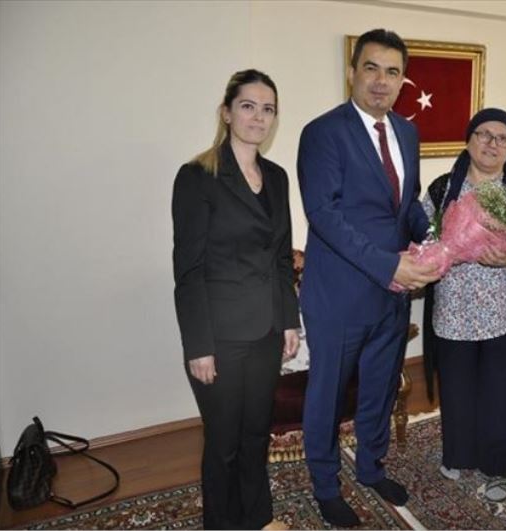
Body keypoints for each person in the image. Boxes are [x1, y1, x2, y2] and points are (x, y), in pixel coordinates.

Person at [297, 29, 439, 527]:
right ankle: (325, 485)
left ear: (403, 81)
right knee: (328, 394)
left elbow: (406, 207)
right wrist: (388, 265)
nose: (381, 81)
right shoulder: (323, 132)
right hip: (339, 294)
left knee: (380, 388)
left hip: (392, 296)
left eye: (392, 72)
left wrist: (436, 240)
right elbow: (324, 215)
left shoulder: (407, 132)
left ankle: (372, 468)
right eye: (371, 68)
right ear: (352, 72)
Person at [172, 69, 300, 530]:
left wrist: (289, 319)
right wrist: (198, 346)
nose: (258, 117)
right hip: (220, 337)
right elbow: (189, 271)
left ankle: (259, 520)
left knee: (255, 436)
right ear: (227, 113)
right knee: (223, 444)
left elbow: (281, 257)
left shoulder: (277, 178)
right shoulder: (197, 177)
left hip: (266, 330)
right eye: (248, 106)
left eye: (268, 109)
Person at [422, 108, 506, 503]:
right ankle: (458, 455)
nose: (492, 144)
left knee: (501, 395)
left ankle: (498, 468)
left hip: (504, 314)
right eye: (484, 134)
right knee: (457, 391)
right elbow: (423, 243)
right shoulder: (442, 189)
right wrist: (444, 254)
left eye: (502, 138)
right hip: (453, 312)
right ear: (468, 139)